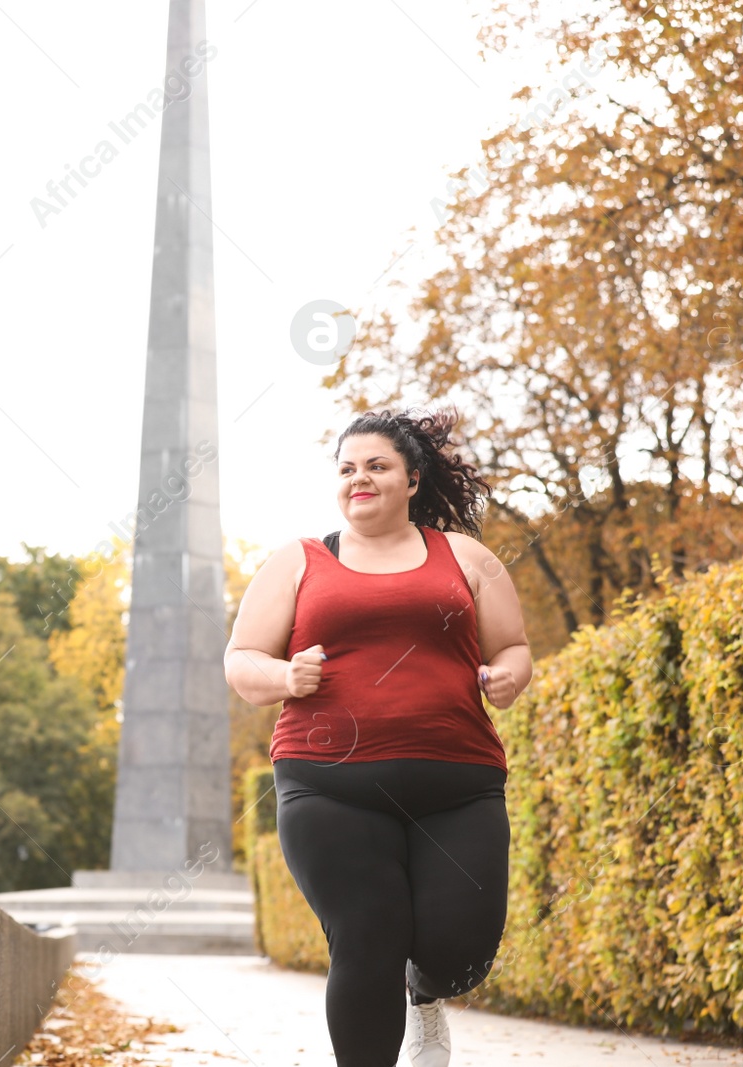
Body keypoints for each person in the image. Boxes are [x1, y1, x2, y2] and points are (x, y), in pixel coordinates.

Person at [224, 407, 532, 1066]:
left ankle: (426, 993)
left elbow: (514, 648)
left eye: (376, 465)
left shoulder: (469, 558)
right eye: (346, 468)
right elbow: (242, 661)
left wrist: (505, 677)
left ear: (413, 478)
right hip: (327, 785)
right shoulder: (298, 561)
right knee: (366, 937)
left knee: (462, 953)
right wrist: (285, 673)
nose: (358, 478)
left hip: (458, 788)